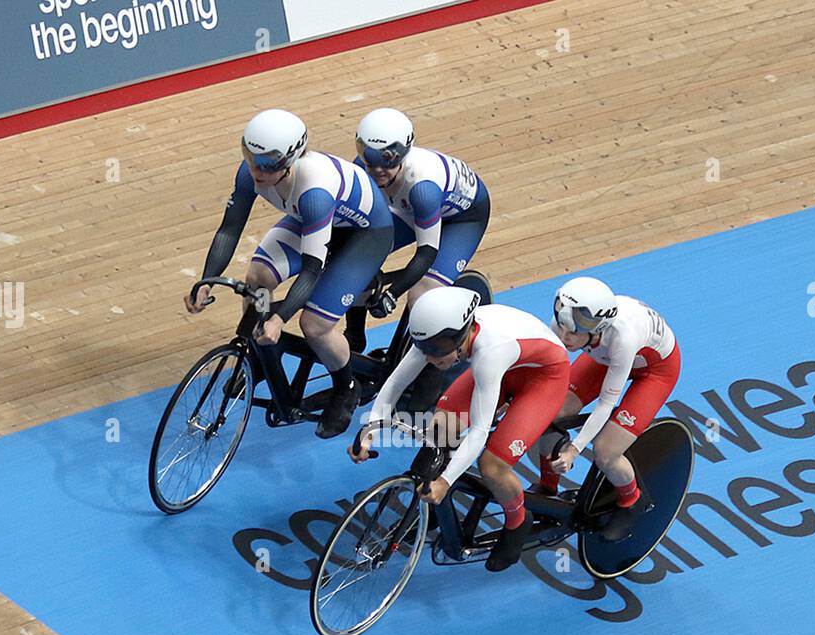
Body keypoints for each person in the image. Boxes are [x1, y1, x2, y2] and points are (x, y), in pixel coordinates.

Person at [184, 109, 394, 439]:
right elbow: (229, 229)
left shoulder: (314, 191)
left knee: (315, 325)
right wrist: (206, 279)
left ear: (291, 160)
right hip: (316, 222)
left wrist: (280, 317)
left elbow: (312, 270)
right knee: (258, 278)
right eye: (250, 157)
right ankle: (262, 356)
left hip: (363, 235)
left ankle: (346, 386)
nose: (256, 170)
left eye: (267, 164)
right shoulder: (251, 172)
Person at [351, 286, 569, 572]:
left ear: (461, 336)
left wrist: (445, 480)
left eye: (437, 352)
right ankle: (434, 502)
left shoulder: (488, 352)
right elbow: (394, 384)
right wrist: (370, 431)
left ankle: (518, 520)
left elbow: (478, 430)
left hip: (543, 377)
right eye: (425, 350)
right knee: (440, 428)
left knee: (492, 465)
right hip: (509, 363)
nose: (429, 359)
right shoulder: (435, 336)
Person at [348, 108, 490, 407]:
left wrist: (392, 293)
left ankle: (430, 376)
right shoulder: (362, 169)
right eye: (369, 157)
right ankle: (355, 338)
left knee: (422, 295)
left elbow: (427, 252)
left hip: (461, 218)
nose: (376, 169)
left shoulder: (423, 187)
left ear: (404, 153)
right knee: (357, 259)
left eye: (387, 160)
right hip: (408, 209)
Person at [532, 276, 681, 542]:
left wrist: (574, 448)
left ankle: (631, 501)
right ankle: (547, 486)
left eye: (573, 334)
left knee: (606, 451)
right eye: (562, 328)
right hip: (603, 356)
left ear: (597, 328)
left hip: (655, 371)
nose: (565, 338)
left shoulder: (622, 338)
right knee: (550, 414)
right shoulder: (568, 320)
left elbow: (605, 403)